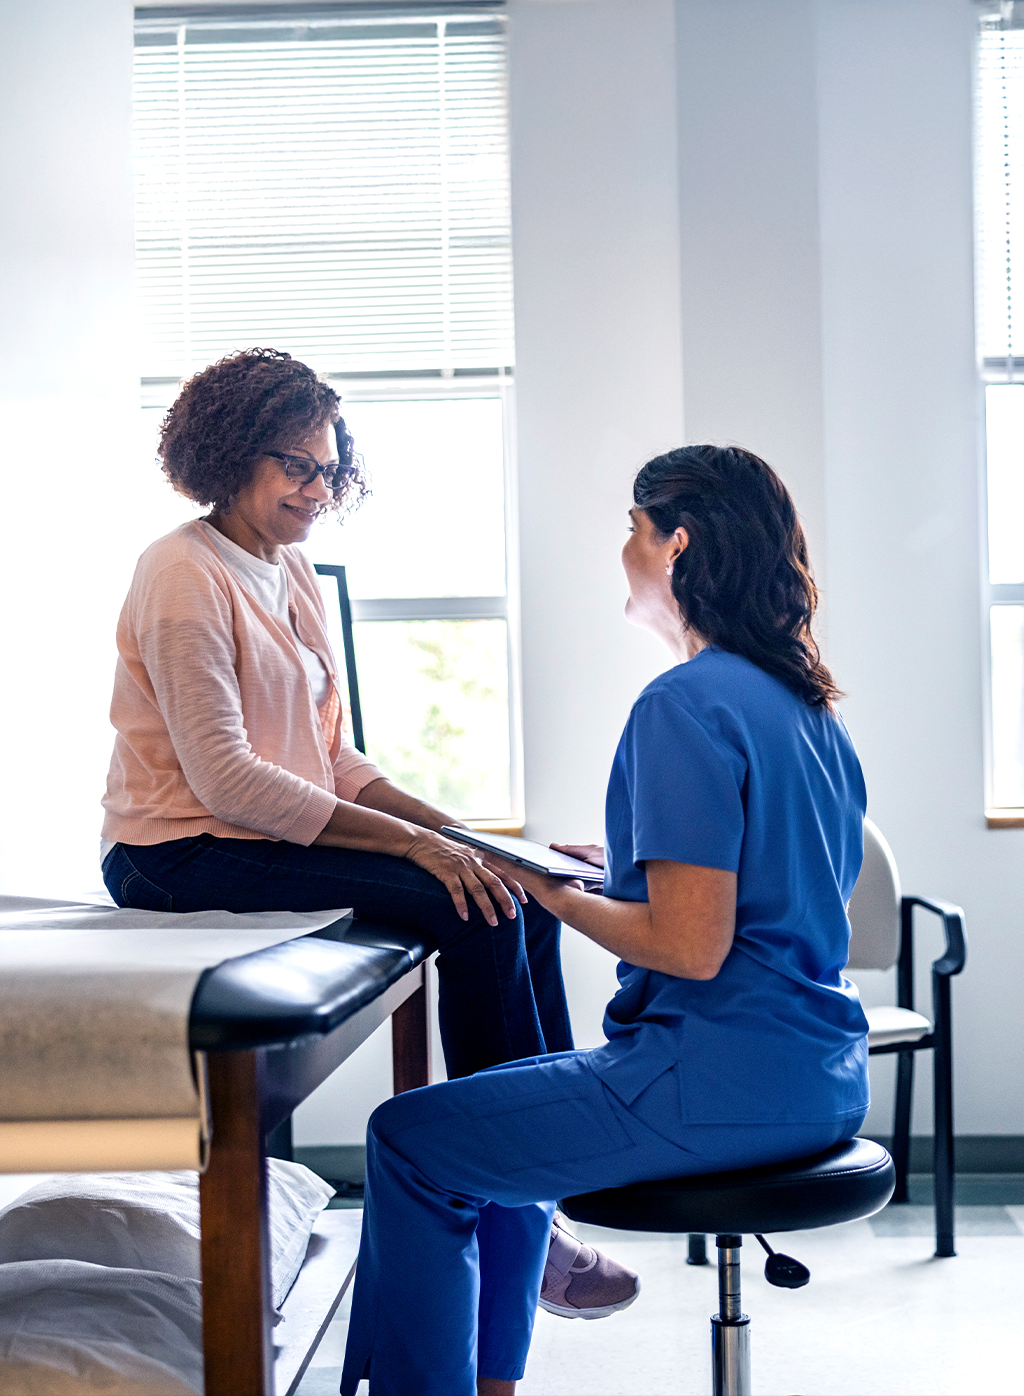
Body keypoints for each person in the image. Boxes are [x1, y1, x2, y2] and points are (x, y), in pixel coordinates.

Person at [99, 347, 636, 1314]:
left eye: (328, 467)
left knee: (520, 891)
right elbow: (227, 783)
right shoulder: (181, 574)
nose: (318, 489)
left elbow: (333, 759)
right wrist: (419, 852)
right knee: (471, 910)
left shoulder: (290, 571)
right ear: (228, 456)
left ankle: (548, 1168)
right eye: (295, 466)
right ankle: (510, 1193)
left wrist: (468, 835)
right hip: (174, 851)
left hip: (264, 834)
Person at [340, 444, 872, 1396]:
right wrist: (619, 864)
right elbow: (763, 887)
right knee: (497, 1121)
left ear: (678, 545)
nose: (622, 551)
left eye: (631, 530)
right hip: (819, 1076)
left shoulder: (682, 702)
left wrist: (554, 892)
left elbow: (688, 947)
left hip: (711, 1080)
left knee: (410, 1141)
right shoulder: (805, 706)